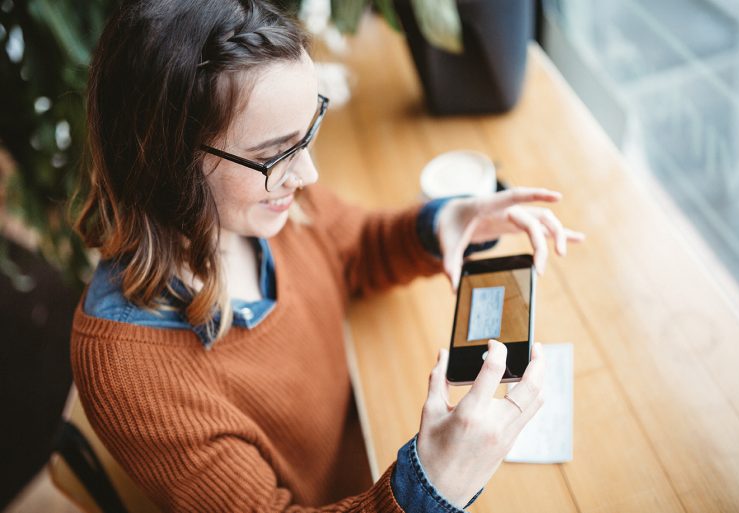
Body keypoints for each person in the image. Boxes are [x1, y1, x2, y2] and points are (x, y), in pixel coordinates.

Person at [70, 0, 584, 511]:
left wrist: (439, 224)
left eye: (309, 131)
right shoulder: (130, 372)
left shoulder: (260, 202)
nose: (309, 174)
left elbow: (354, 247)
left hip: (365, 430)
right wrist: (433, 485)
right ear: (164, 161)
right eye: (274, 154)